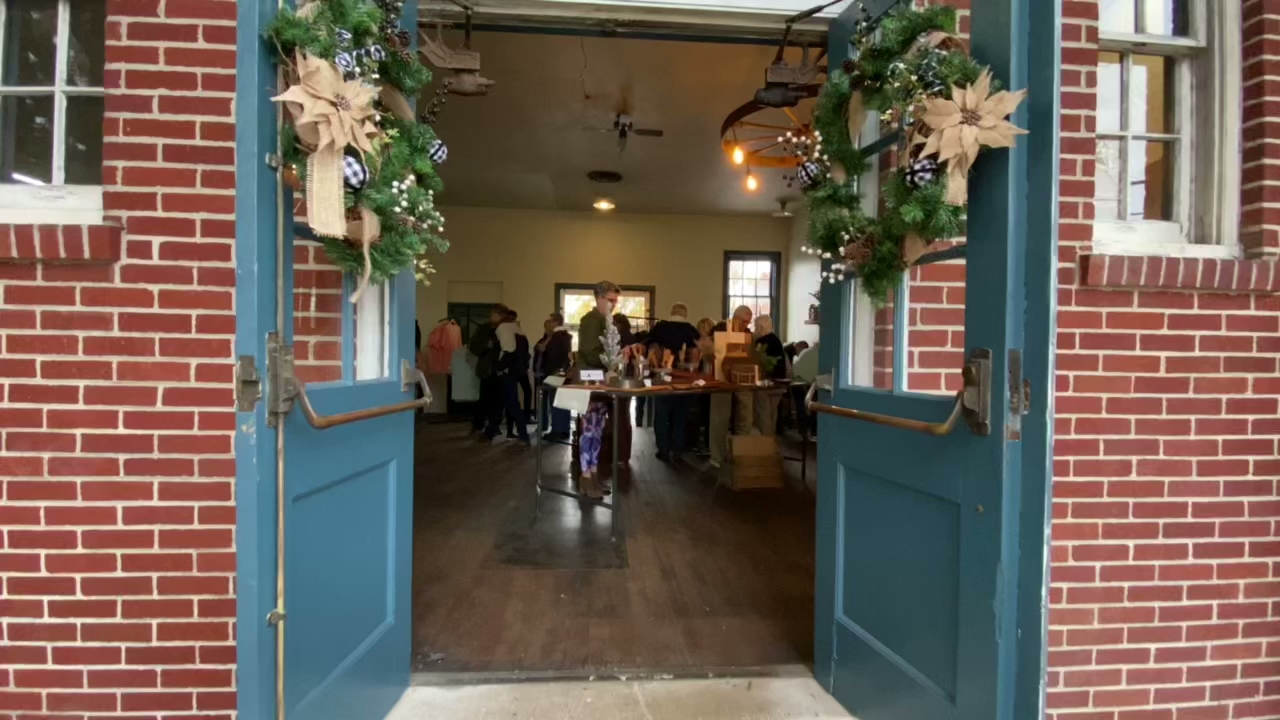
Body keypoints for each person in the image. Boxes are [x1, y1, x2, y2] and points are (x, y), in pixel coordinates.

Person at [575, 280, 620, 499]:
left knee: (598, 430)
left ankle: (593, 474)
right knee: (589, 430)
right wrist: (609, 361)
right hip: (590, 382)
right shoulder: (591, 320)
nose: (614, 305)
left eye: (616, 301)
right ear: (599, 298)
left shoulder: (604, 321)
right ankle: (585, 476)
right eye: (610, 300)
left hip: (600, 382)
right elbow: (588, 351)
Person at [647, 303, 701, 461]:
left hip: (662, 376)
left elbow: (649, 347)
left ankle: (663, 449)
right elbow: (698, 352)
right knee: (680, 415)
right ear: (685, 314)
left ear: (671, 312)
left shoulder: (660, 328)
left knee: (661, 414)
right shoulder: (691, 330)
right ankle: (678, 449)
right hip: (684, 379)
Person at [709, 305, 753, 467]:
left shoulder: (748, 334)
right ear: (735, 318)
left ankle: (741, 454)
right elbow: (711, 353)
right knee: (719, 418)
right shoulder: (720, 329)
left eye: (748, 322)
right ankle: (717, 456)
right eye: (743, 321)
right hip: (721, 379)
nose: (745, 325)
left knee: (745, 417)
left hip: (743, 379)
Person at [489, 308, 531, 444]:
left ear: (499, 315)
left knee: (510, 403)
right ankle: (492, 430)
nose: (490, 317)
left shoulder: (503, 328)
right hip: (516, 370)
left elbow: (508, 350)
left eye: (493, 314)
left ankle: (523, 435)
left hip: (507, 372)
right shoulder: (517, 329)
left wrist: (499, 367)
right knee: (505, 402)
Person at [468, 305, 506, 434]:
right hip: (486, 368)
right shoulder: (484, 329)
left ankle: (494, 425)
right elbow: (473, 346)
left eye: (496, 314)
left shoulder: (506, 329)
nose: (492, 316)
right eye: (492, 314)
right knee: (484, 398)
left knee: (498, 400)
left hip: (501, 369)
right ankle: (478, 423)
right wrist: (486, 345)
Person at [535, 314, 573, 440]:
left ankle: (557, 430)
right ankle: (564, 429)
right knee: (563, 402)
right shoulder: (565, 336)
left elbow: (553, 358)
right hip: (562, 373)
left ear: (556, 322)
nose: (549, 323)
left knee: (556, 403)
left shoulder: (556, 337)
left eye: (551, 321)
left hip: (554, 374)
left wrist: (549, 373)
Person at [752, 315, 787, 436]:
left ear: (760, 327)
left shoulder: (761, 342)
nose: (754, 329)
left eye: (756, 326)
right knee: (772, 413)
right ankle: (771, 439)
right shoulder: (776, 340)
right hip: (780, 382)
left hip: (765, 382)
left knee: (763, 413)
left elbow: (756, 361)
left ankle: (766, 440)